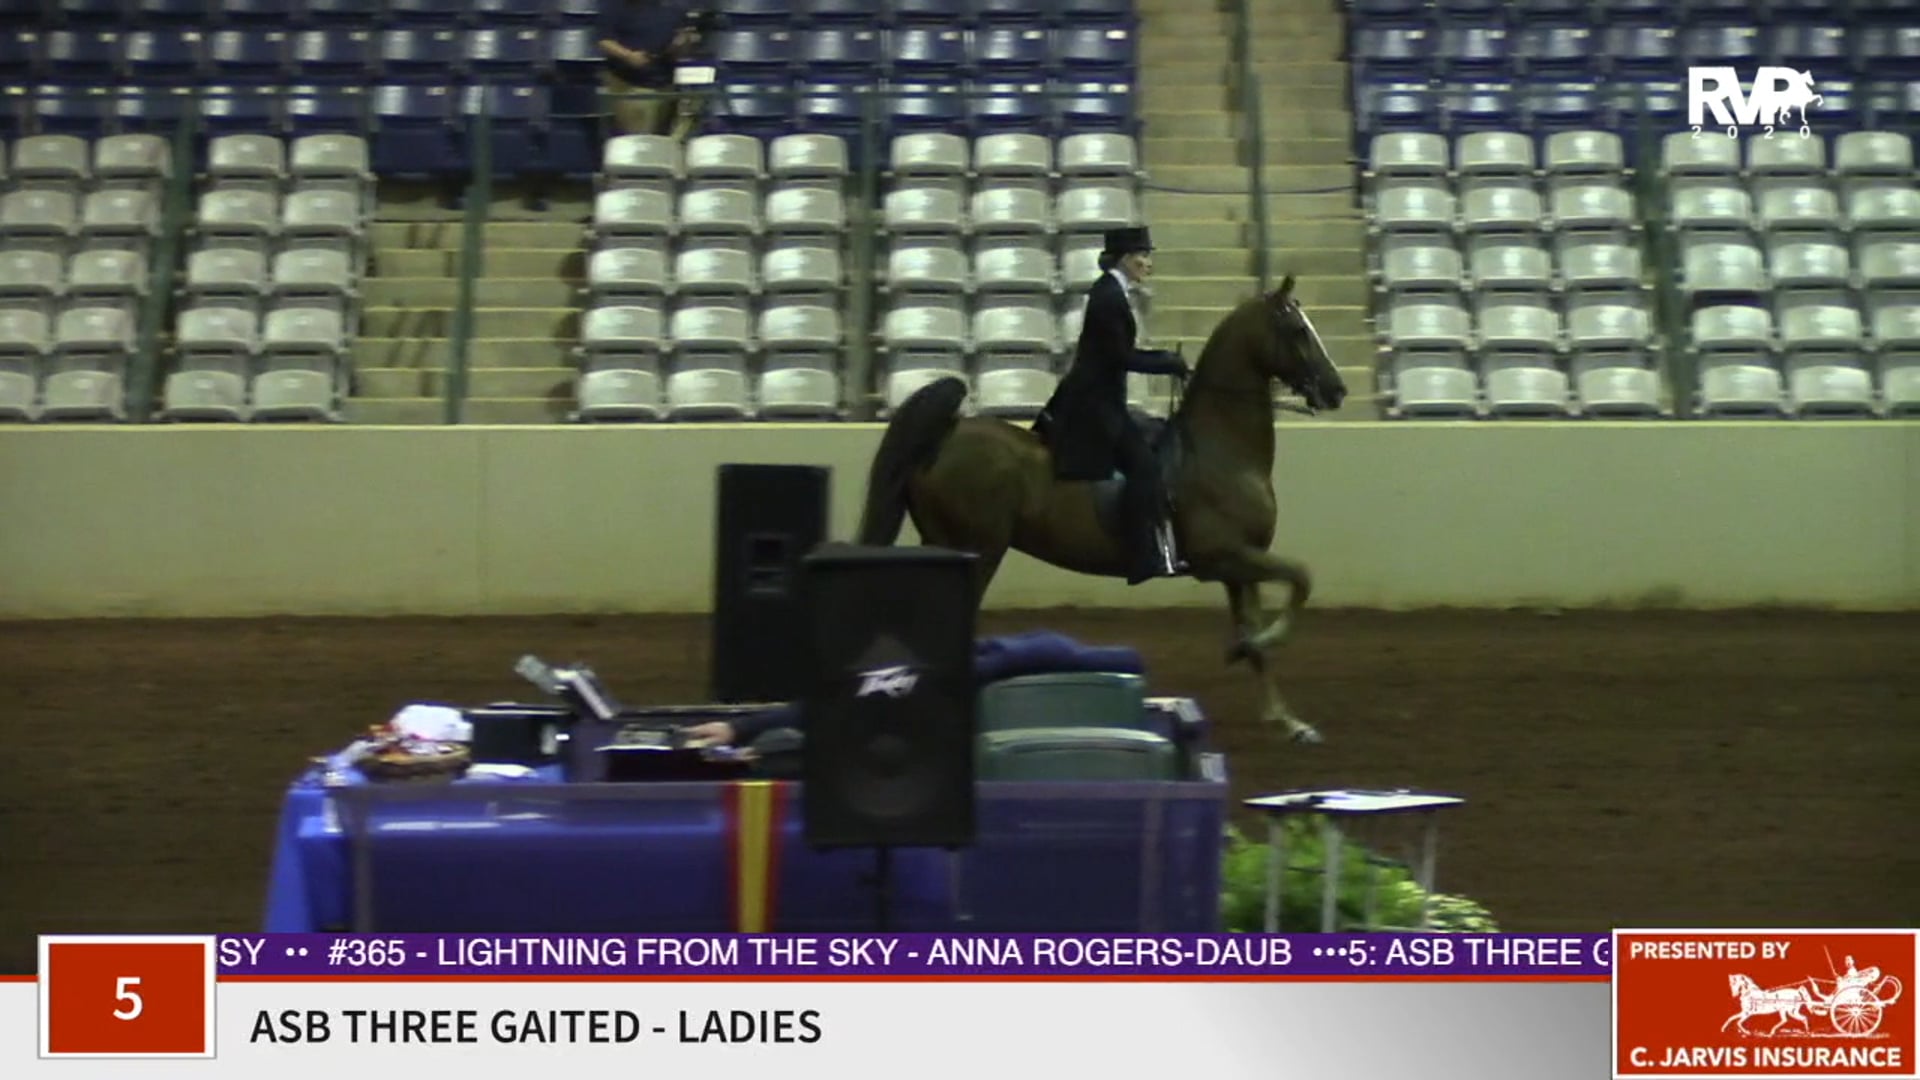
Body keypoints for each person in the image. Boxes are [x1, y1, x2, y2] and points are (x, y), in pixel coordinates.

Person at [1035, 226, 1192, 585]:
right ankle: (1141, 557)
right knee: (1146, 468)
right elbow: (1119, 356)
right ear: (1125, 258)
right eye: (1143, 256)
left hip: (1105, 400)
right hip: (1095, 408)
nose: (1148, 264)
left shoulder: (1113, 293)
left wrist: (1168, 360)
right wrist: (1168, 362)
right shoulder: (1109, 297)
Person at [598, 0, 686, 137]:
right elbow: (605, 41)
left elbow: (678, 44)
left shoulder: (673, 9)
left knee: (663, 137)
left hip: (665, 83)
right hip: (630, 83)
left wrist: (679, 45)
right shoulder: (616, 7)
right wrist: (628, 56)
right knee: (640, 138)